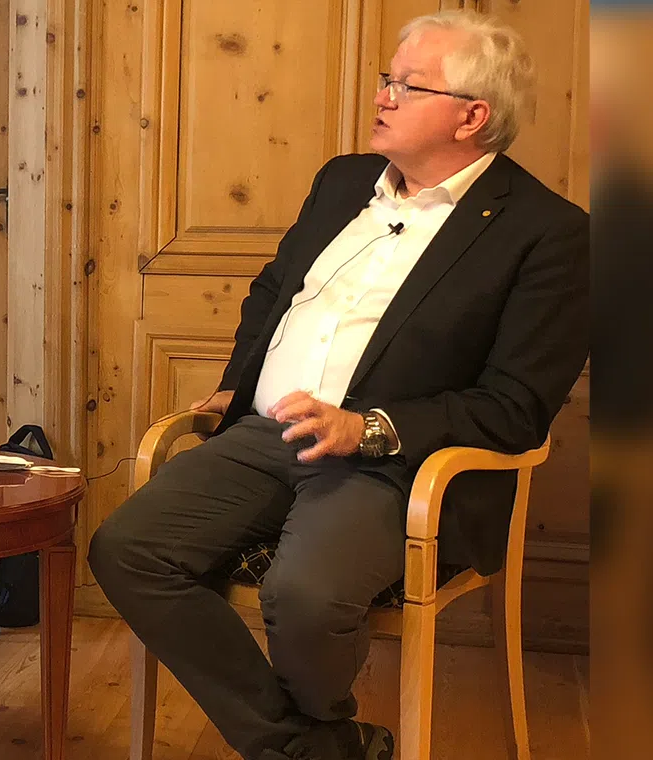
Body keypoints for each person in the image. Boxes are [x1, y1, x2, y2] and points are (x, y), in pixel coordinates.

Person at [88, 10, 588, 760]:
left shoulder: (548, 233)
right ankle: (317, 745)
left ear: (471, 117)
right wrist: (238, 384)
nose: (382, 96)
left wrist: (368, 428)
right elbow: (274, 289)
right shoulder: (343, 182)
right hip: (267, 433)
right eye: (387, 78)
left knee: (306, 595)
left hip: (394, 467)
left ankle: (305, 743)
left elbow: (515, 408)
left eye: (407, 85)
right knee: (127, 548)